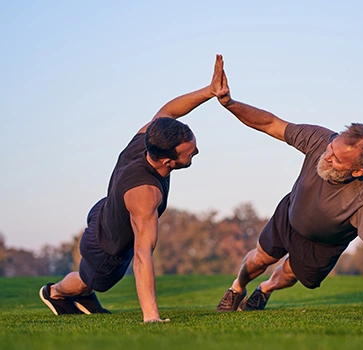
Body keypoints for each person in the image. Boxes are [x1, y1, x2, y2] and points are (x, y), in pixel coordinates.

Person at [40, 55, 226, 323]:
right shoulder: (145, 193)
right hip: (108, 247)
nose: (196, 150)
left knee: (90, 279)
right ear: (167, 161)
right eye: (189, 152)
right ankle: (55, 292)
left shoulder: (150, 136)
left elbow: (168, 111)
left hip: (107, 209)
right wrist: (151, 316)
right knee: (87, 281)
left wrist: (209, 91)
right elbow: (141, 254)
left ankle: (80, 296)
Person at [215, 58, 363, 314]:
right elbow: (270, 124)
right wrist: (230, 104)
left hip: (323, 244)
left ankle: (265, 290)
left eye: (336, 160)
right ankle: (237, 288)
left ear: (357, 171)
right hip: (291, 214)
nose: (327, 157)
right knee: (260, 259)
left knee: (291, 274)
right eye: (330, 150)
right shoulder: (320, 139)